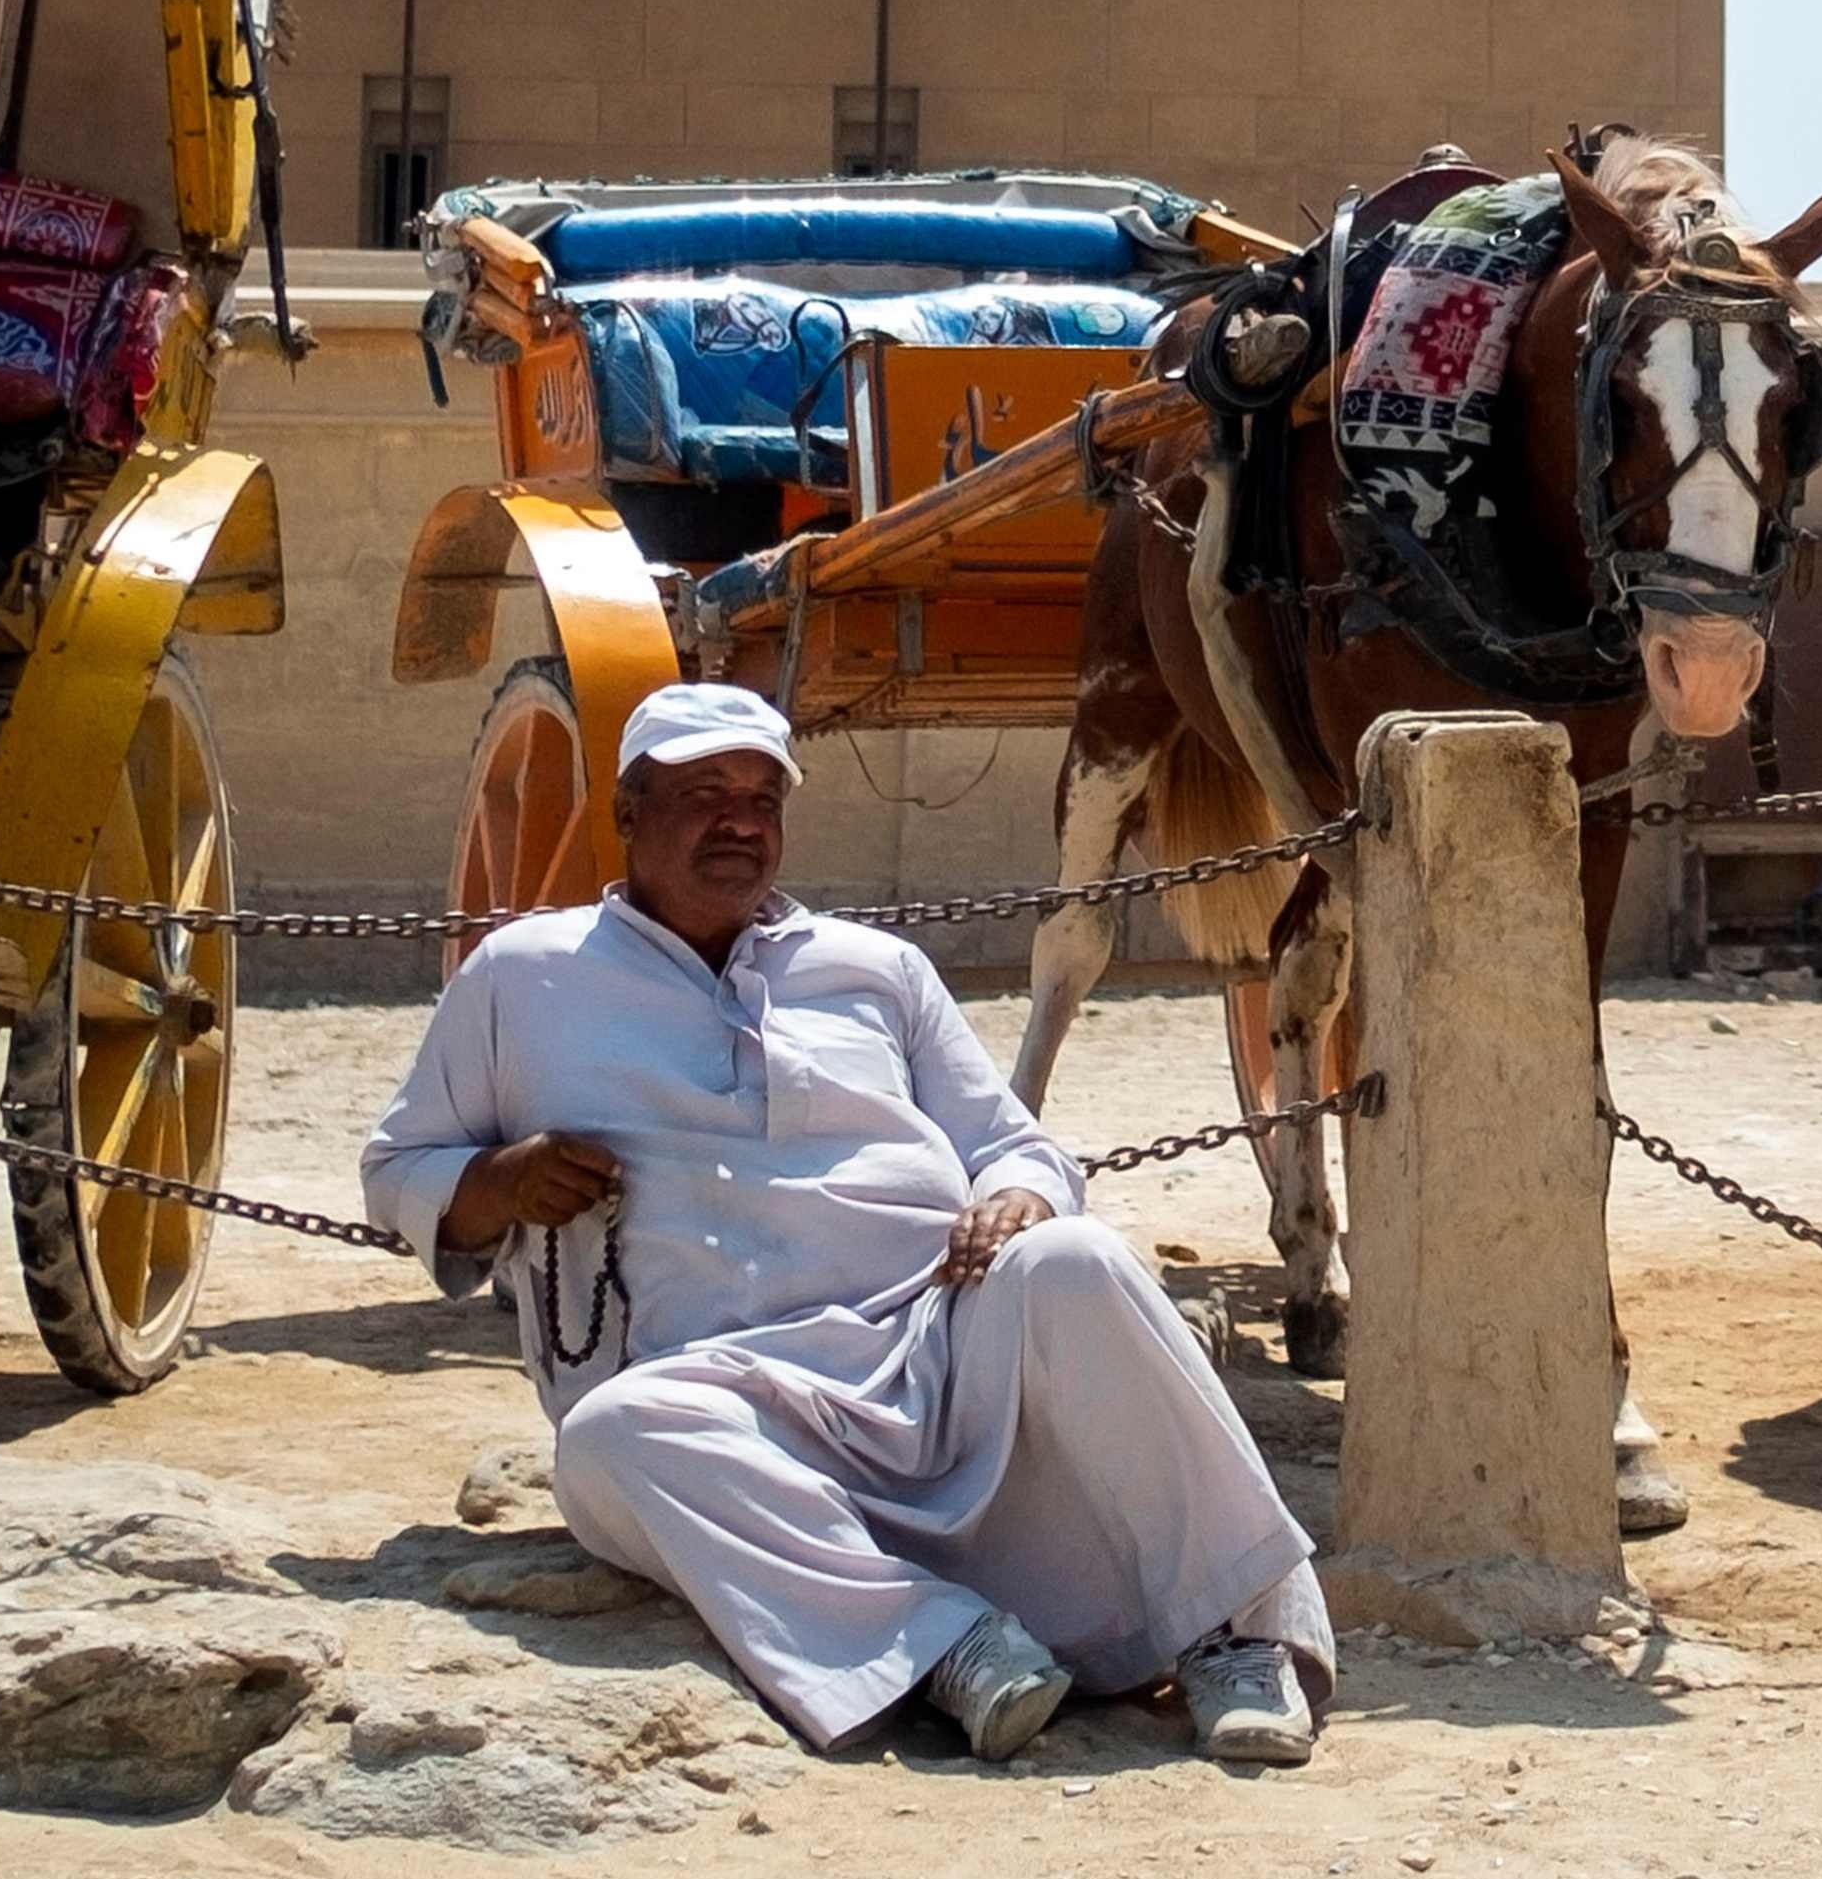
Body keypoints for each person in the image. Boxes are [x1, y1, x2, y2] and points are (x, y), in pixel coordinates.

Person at [360, 682, 1331, 1766]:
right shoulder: (521, 977)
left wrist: (1016, 1196)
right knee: (607, 1438)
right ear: (628, 813)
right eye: (704, 793)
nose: (740, 820)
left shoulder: (875, 969)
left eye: (763, 798)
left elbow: (1017, 1143)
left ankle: (1236, 1639)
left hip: (932, 1346)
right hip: (723, 1394)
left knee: (1078, 1258)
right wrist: (505, 1178)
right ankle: (947, 1647)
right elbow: (402, 1165)